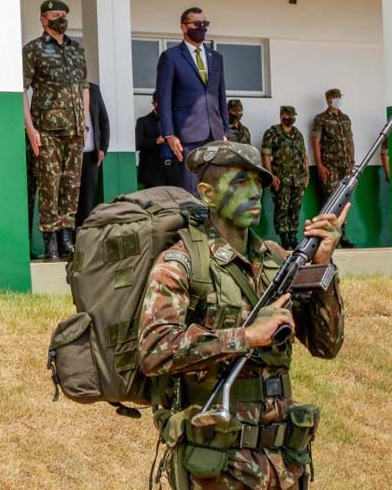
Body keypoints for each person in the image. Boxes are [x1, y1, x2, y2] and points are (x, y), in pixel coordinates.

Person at [139, 140, 346, 490]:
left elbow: (327, 345)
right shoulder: (181, 264)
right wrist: (246, 336)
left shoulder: (277, 260)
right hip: (218, 465)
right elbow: (154, 350)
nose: (254, 194)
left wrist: (323, 264)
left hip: (283, 463)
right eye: (239, 183)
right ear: (207, 193)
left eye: (259, 184)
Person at [23, 0, 89, 260]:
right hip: (47, 129)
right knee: (49, 185)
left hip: (74, 129)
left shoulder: (76, 49)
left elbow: (84, 87)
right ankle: (50, 240)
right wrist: (30, 128)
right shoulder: (34, 50)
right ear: (43, 19)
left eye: (63, 14)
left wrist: (84, 121)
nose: (60, 19)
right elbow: (22, 89)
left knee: (71, 185)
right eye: (54, 15)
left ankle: (66, 237)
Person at [156, 7, 229, 195]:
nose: (202, 28)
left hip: (215, 135)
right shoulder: (171, 57)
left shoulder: (216, 58)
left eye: (205, 24)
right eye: (197, 24)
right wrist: (169, 134)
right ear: (183, 27)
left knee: (216, 189)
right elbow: (164, 98)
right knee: (192, 192)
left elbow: (220, 95)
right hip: (187, 137)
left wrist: (225, 129)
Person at [261, 106, 309, 250]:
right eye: (287, 115)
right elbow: (266, 155)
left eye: (293, 115)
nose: (290, 118)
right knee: (282, 209)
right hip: (281, 179)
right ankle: (284, 238)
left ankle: (293, 236)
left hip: (298, 179)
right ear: (281, 116)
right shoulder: (272, 133)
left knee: (295, 209)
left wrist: (307, 174)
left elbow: (304, 156)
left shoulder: (297, 133)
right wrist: (271, 176)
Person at [311, 88, 354, 248]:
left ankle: (342, 234)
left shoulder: (345, 118)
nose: (338, 100)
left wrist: (351, 161)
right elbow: (315, 142)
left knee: (344, 200)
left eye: (339, 97)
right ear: (328, 100)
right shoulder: (321, 119)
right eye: (335, 98)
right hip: (329, 167)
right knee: (330, 201)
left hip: (345, 167)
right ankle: (329, 236)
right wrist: (320, 165)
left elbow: (350, 140)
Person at [76, 81, 110, 226]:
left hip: (91, 156)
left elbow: (104, 120)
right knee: (71, 200)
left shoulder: (94, 89)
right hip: (71, 157)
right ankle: (67, 239)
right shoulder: (67, 87)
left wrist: (103, 147)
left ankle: (83, 236)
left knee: (88, 199)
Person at [135, 92, 177, 189]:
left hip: (173, 170)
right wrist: (156, 141)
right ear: (154, 104)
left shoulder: (175, 121)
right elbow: (138, 144)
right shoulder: (143, 121)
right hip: (153, 172)